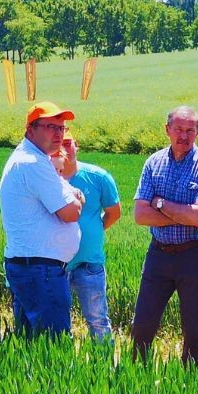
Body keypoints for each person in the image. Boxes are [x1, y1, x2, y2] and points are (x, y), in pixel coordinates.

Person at [131, 106, 198, 363]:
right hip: (158, 254)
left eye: (190, 130)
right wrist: (186, 216)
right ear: (167, 130)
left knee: (194, 328)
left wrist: (159, 203)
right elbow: (140, 215)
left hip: (194, 256)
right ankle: (137, 377)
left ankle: (189, 384)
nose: (184, 136)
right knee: (143, 324)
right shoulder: (153, 162)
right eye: (179, 130)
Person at [0, 103, 84, 337]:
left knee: (32, 345)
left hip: (33, 266)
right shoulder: (33, 163)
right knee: (52, 346)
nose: (58, 134)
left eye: (62, 128)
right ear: (30, 129)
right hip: (40, 269)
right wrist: (77, 200)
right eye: (50, 127)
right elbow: (71, 212)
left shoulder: (34, 159)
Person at [58, 135, 122, 341]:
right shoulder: (47, 178)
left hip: (89, 262)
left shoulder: (98, 177)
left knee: (98, 320)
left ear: (77, 146)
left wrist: (93, 231)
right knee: (59, 319)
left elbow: (114, 212)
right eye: (60, 144)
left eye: (68, 143)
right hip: (56, 263)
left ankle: (103, 364)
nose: (65, 148)